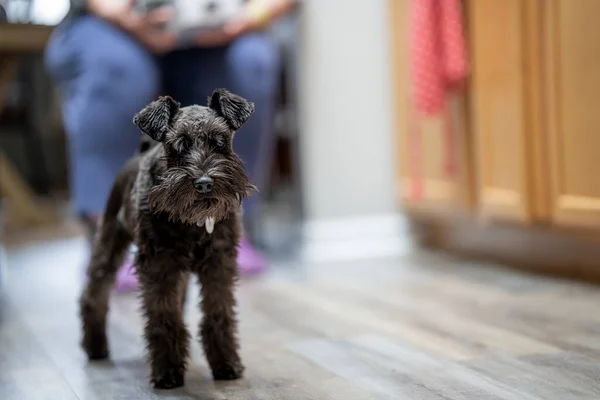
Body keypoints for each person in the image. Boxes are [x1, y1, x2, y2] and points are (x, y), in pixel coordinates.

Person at [45, 0, 296, 290]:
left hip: (213, 30)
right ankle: (111, 231)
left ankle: (228, 226)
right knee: (117, 67)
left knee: (250, 60)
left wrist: (247, 17)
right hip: (109, 24)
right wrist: (116, 10)